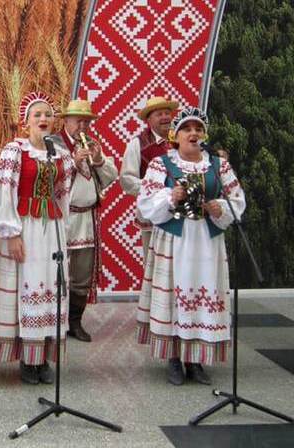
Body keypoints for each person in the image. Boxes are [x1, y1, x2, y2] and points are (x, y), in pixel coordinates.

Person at [136, 107, 245, 385]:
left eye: (198, 129)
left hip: (207, 242)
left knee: (202, 290)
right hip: (175, 240)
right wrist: (170, 196)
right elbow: (146, 202)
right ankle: (174, 358)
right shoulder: (162, 164)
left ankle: (195, 360)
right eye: (187, 128)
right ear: (176, 134)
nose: (193, 133)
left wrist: (219, 208)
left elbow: (236, 198)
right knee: (176, 292)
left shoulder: (218, 166)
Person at [0, 92, 74, 384]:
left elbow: (63, 195)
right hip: (26, 227)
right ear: (26, 122)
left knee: (51, 285)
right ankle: (28, 360)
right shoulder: (14, 151)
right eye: (37, 115)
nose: (43, 119)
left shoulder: (61, 154)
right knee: (28, 285)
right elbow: (4, 191)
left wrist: (63, 229)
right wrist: (12, 233)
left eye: (48, 115)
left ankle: (44, 356)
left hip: (51, 229)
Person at [55, 99, 118, 342]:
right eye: (78, 120)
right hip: (61, 217)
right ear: (66, 121)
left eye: (86, 121)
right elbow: (49, 179)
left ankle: (75, 322)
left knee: (81, 275)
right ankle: (53, 321)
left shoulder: (91, 144)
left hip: (86, 219)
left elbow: (111, 177)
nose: (83, 125)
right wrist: (72, 160)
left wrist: (99, 159)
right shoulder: (53, 144)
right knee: (56, 272)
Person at [120, 96, 178, 258]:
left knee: (180, 263)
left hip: (180, 213)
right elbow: (127, 180)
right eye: (159, 114)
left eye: (167, 113)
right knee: (154, 264)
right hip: (153, 214)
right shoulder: (137, 144)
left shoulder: (181, 141)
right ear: (148, 119)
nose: (166, 117)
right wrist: (158, 191)